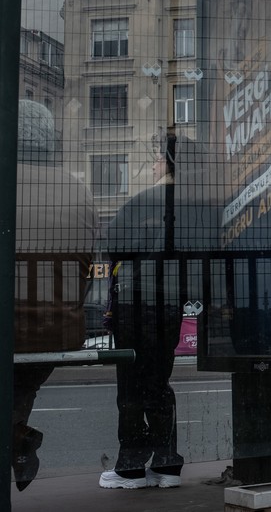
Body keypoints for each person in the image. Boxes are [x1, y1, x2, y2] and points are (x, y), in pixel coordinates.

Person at [12, 100, 97, 491]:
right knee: (24, 380)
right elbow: (86, 268)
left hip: (10, 327)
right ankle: (17, 440)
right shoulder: (78, 190)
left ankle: (19, 440)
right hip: (57, 329)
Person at [99, 134, 185, 489]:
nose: (151, 166)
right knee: (159, 382)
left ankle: (131, 466)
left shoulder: (141, 203)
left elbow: (112, 248)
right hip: (170, 306)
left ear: (166, 163)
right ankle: (166, 463)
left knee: (132, 386)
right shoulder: (192, 206)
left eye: (154, 160)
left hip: (136, 305)